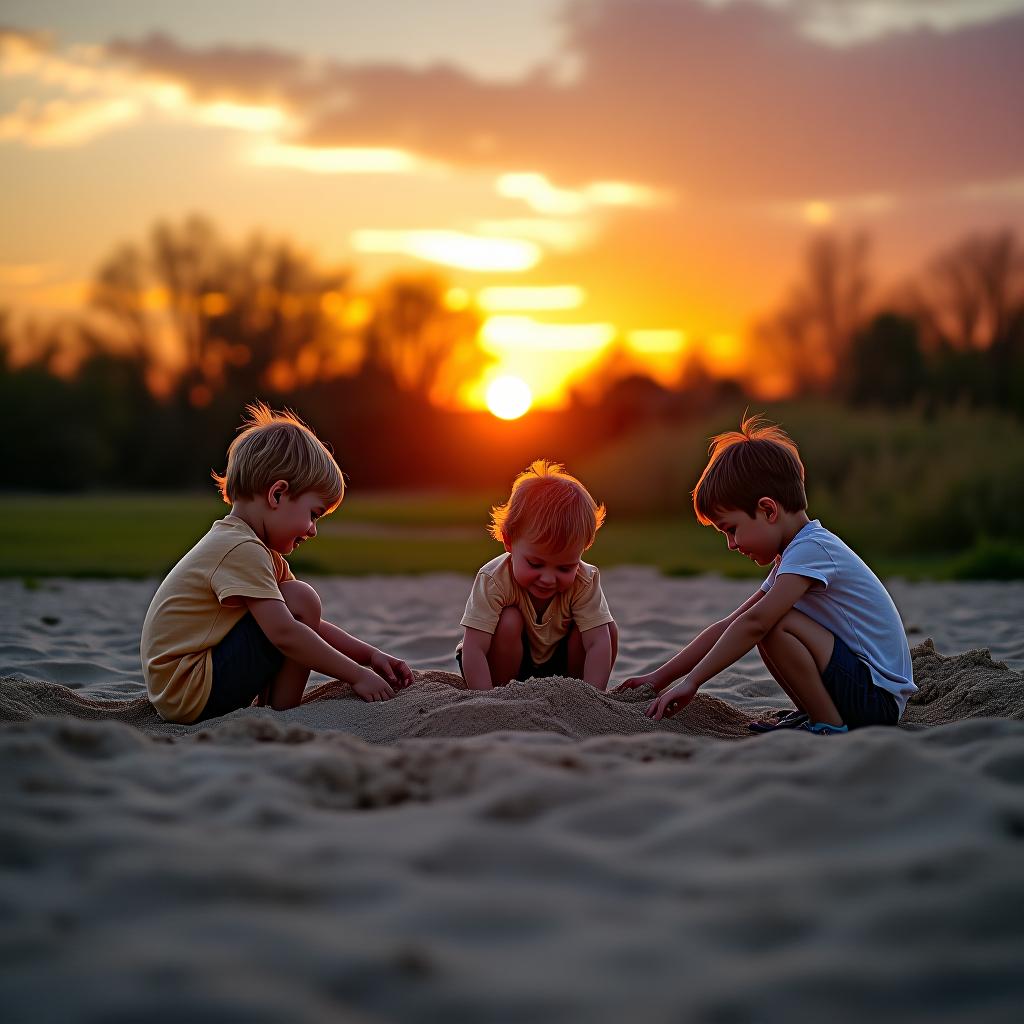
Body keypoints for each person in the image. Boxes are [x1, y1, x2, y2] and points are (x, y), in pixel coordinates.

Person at [623, 414, 915, 733]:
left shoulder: (813, 550)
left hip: (877, 702)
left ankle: (828, 722)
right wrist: (660, 678)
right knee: (765, 623)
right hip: (859, 690)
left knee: (774, 624)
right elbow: (730, 625)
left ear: (768, 510)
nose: (731, 544)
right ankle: (814, 711)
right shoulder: (793, 555)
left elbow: (755, 623)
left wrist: (692, 683)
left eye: (731, 530)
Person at [141, 402, 413, 723]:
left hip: (186, 688)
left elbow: (303, 624)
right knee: (301, 597)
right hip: (190, 688)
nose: (313, 530)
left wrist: (369, 656)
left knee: (297, 601)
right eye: (313, 514)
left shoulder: (255, 547)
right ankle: (282, 713)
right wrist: (355, 675)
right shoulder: (240, 547)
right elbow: (286, 631)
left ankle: (277, 708)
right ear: (278, 494)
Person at [457, 459, 618, 691]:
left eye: (564, 568)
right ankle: (501, 693)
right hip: (498, 667)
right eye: (535, 564)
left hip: (557, 665)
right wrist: (483, 699)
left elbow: (598, 643)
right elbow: (474, 648)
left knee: (606, 629)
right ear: (509, 541)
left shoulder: (584, 579)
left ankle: (577, 693)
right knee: (509, 621)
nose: (548, 578)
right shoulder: (494, 579)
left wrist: (594, 696)